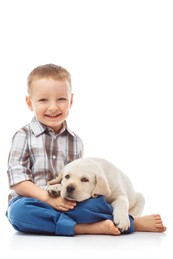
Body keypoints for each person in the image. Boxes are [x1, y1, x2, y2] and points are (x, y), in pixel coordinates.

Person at [6, 64, 166, 236]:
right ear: (30, 103)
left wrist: (64, 200)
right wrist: (46, 198)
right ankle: (108, 226)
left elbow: (81, 186)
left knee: (95, 204)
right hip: (34, 202)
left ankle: (112, 219)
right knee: (18, 213)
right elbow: (17, 180)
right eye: (43, 100)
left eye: (61, 99)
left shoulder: (75, 142)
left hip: (68, 203)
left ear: (71, 101)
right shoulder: (23, 136)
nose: (53, 107)